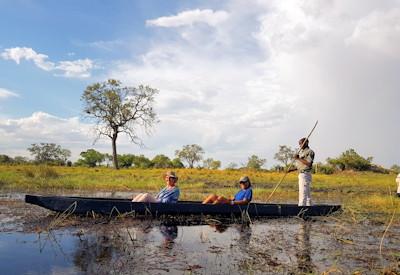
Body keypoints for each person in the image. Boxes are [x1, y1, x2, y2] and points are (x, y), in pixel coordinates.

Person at [293, 137, 315, 206]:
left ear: (306, 143)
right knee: (308, 195)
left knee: (303, 193)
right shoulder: (301, 152)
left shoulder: (310, 152)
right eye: (299, 144)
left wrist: (298, 158)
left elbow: (309, 164)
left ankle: (301, 210)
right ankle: (309, 208)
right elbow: (301, 166)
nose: (300, 146)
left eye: (301, 144)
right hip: (302, 174)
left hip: (305, 175)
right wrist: (291, 170)